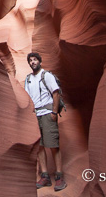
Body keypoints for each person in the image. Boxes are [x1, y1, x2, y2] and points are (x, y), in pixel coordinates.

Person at [24, 52, 67, 191]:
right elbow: (27, 97)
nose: (33, 62)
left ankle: (59, 177)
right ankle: (45, 176)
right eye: (30, 60)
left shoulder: (46, 75)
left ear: (39, 61)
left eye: (35, 59)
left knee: (53, 145)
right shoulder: (28, 79)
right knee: (40, 147)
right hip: (35, 115)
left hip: (48, 113)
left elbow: (56, 92)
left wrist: (54, 112)